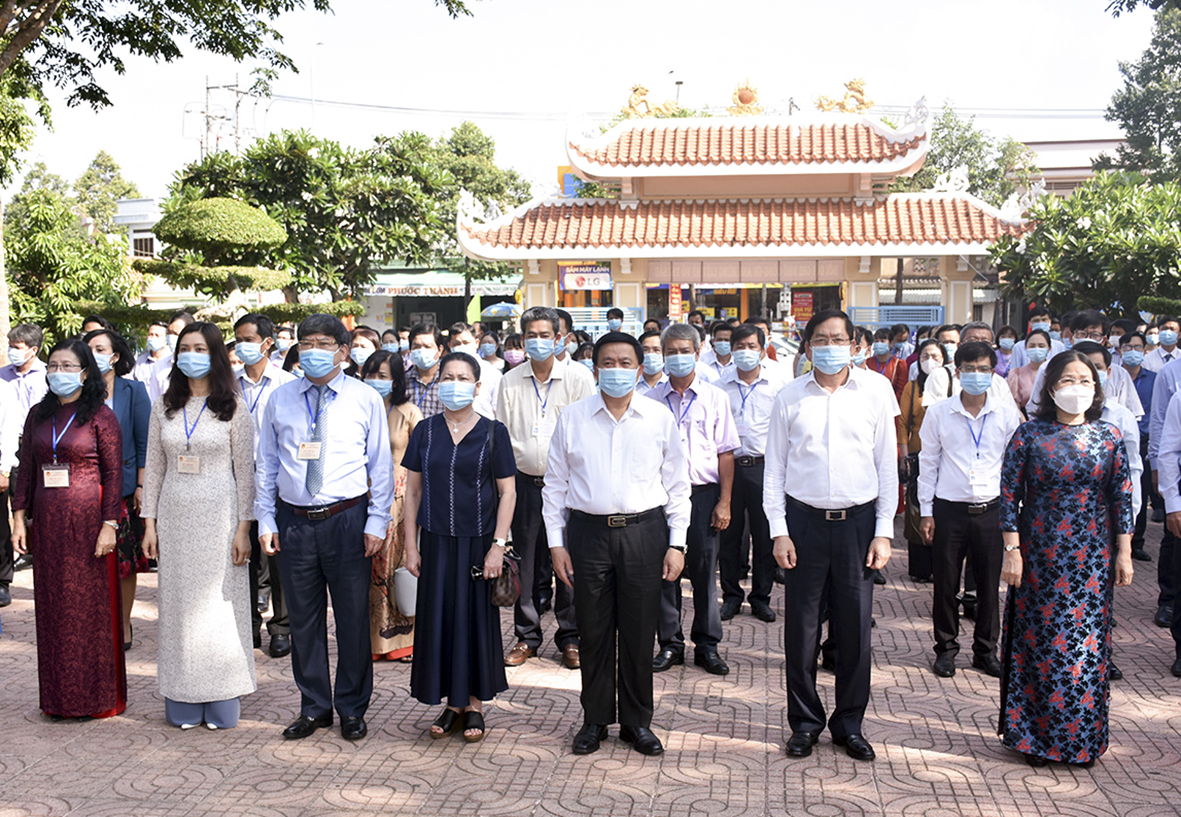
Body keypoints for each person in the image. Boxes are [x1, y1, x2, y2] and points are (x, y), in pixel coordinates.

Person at [543, 331, 689, 756]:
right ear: (595, 368)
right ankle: (595, 719)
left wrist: (676, 543)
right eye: (609, 362)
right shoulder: (573, 418)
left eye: (627, 363)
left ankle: (636, 721)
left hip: (645, 533)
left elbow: (678, 485)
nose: (618, 370)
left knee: (642, 632)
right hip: (587, 534)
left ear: (640, 368)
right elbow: (554, 487)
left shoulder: (659, 418)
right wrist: (557, 543)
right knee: (594, 630)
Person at [764, 309, 897, 762]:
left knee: (855, 631)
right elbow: (775, 470)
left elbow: (887, 467)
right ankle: (804, 722)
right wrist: (778, 532)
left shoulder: (876, 390)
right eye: (820, 338)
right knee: (801, 632)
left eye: (838, 337)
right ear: (806, 347)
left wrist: (884, 531)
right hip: (803, 525)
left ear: (855, 343)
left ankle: (849, 724)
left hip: (858, 527)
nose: (829, 345)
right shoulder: (788, 397)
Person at [255, 313, 394, 742]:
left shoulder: (364, 398)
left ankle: (352, 707)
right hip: (294, 522)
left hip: (347, 521)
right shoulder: (281, 399)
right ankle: (314, 706)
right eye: (305, 343)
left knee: (352, 619)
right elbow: (268, 465)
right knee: (304, 621)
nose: (312, 351)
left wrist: (377, 520)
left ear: (343, 351)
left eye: (322, 343)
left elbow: (381, 467)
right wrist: (266, 518)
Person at [998, 349, 1134, 767]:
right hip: (1039, 556)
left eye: (1085, 381)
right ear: (1051, 387)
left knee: (1085, 650)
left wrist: (1124, 552)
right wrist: (1012, 551)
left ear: (1097, 388)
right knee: (1040, 646)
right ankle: (1035, 739)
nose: (1077, 389)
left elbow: (1122, 499)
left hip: (1092, 559)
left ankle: (1081, 741)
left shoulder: (1108, 437)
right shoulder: (1029, 435)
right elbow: (1007, 497)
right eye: (1068, 381)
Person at [141, 322, 257, 729]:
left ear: (216, 356)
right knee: (179, 608)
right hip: (173, 518)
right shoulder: (163, 406)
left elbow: (246, 473)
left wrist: (244, 528)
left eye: (200, 348)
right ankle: (183, 693)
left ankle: (224, 689)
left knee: (220, 606)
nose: (192, 355)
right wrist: (149, 523)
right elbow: (154, 468)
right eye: (185, 348)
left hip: (221, 519)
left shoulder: (234, 407)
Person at [402, 351, 516, 742]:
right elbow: (412, 493)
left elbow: (508, 492)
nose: (454, 383)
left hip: (479, 543)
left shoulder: (493, 432)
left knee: (475, 622)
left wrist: (498, 546)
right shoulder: (425, 430)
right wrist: (410, 545)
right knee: (440, 620)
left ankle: (476, 706)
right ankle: (452, 704)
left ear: (477, 385)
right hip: (434, 541)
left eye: (462, 377)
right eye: (447, 376)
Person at [11, 339, 125, 719]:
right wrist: (18, 517)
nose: (59, 373)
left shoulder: (100, 416)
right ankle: (58, 700)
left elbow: (113, 473)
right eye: (54, 366)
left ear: (85, 371)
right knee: (54, 612)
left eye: (67, 366)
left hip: (89, 526)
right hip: (48, 527)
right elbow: (25, 470)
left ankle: (94, 699)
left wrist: (110, 525)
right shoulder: (37, 416)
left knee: (89, 613)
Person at [497, 307, 595, 671]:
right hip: (523, 483)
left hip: (567, 485)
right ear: (523, 340)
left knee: (567, 560)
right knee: (525, 562)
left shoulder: (579, 379)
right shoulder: (509, 381)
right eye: (531, 336)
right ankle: (527, 636)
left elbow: (587, 433)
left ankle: (571, 637)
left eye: (545, 335)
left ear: (559, 338)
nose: (537, 341)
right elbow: (502, 438)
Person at [918, 342, 1022, 679]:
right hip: (950, 509)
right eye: (969, 369)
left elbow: (1013, 469)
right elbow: (928, 462)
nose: (976, 375)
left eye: (983, 369)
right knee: (946, 584)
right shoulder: (939, 413)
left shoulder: (1006, 415)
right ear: (957, 371)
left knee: (990, 586)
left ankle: (985, 651)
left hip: (992, 510)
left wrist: (1013, 514)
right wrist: (926, 511)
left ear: (993, 373)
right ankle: (945, 649)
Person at [647, 323, 738, 675]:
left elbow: (725, 453)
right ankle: (670, 644)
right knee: (665, 572)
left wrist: (724, 501)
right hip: (662, 498)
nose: (678, 358)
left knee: (703, 572)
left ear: (699, 354)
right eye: (671, 352)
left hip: (703, 497)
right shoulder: (650, 400)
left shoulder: (716, 398)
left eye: (685, 351)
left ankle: (707, 644)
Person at [233, 313, 296, 658]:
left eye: (248, 339)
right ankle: (249, 623)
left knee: (277, 553)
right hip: (238, 476)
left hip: (275, 475)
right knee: (244, 553)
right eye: (238, 339)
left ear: (267, 342)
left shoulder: (286, 384)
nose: (242, 346)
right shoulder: (228, 384)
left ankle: (281, 627)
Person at [717, 323, 789, 622]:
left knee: (764, 536)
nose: (745, 352)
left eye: (751, 347)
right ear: (731, 350)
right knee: (729, 536)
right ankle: (731, 596)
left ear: (763, 349)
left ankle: (761, 597)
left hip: (764, 468)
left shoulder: (779, 384)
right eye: (740, 346)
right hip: (730, 468)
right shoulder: (719, 385)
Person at [84, 329, 151, 651]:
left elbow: (144, 442)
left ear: (114, 356)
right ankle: (96, 623)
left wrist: (140, 484)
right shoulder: (77, 392)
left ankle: (123, 624)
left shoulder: (133, 391)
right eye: (88, 349)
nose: (94, 354)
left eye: (100, 348)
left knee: (124, 562)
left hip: (123, 489)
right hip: (83, 489)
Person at [360, 349, 422, 661]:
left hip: (400, 501)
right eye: (370, 374)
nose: (375, 381)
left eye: (382, 376)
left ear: (396, 380)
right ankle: (372, 641)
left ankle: (404, 640)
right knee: (367, 571)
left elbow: (423, 462)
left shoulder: (409, 412)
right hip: (360, 495)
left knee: (395, 567)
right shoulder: (355, 408)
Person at [897, 339, 950, 583]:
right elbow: (903, 422)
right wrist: (905, 454)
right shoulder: (912, 387)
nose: (930, 361)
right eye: (925, 356)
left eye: (936, 356)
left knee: (941, 509)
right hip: (919, 453)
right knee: (918, 509)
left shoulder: (952, 386)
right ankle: (920, 567)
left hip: (947, 456)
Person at [1026, 312, 1143, 419]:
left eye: (1094, 335)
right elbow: (1035, 408)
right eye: (1082, 333)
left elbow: (1132, 415)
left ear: (1103, 340)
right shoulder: (1049, 367)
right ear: (1071, 337)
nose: (1088, 339)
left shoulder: (1119, 373)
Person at [1120, 332, 1157, 562]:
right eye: (1128, 347)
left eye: (1137, 347)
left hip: (1142, 439)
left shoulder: (1153, 378)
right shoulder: (1115, 375)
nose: (1132, 351)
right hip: (1117, 438)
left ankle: (1138, 540)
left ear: (1145, 350)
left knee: (1139, 489)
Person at [923, 323, 1017, 410]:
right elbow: (934, 414)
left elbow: (1008, 416)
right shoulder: (941, 375)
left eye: (985, 342)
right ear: (960, 345)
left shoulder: (999, 382)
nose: (978, 346)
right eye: (972, 341)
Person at [446, 322, 503, 420]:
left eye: (466, 343)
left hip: (484, 430)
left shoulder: (492, 373)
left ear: (476, 343)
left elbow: (498, 410)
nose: (461, 347)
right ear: (450, 345)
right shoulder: (443, 373)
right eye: (456, 344)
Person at [2, 323, 49, 427]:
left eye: (17, 348)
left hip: (36, 437)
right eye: (11, 346)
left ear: (34, 350)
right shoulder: (2, 375)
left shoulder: (47, 375)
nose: (12, 351)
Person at [0, 378, 18, 606]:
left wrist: (4, 469)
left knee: (0, 526)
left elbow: (8, 429)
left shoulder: (3, 387)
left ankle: (2, 580)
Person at [1006, 328, 1051, 414]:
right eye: (1032, 346)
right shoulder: (1017, 374)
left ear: (1049, 349)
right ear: (1026, 349)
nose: (1036, 349)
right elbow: (1015, 405)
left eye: (1041, 346)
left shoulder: (1055, 372)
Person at [407, 323, 447, 418]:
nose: (422, 351)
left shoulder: (449, 380)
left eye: (428, 346)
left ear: (440, 350)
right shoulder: (402, 381)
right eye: (416, 347)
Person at [866, 327, 907, 400]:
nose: (879, 344)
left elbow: (901, 390)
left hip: (891, 403)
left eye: (882, 341)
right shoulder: (867, 363)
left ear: (891, 343)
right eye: (876, 341)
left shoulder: (898, 364)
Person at [134, 321, 172, 386]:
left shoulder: (172, 361)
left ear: (166, 339)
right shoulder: (141, 361)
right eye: (150, 334)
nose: (153, 338)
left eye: (157, 335)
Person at [637, 330, 668, 396]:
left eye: (656, 350)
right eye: (645, 350)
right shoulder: (631, 385)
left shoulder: (671, 385)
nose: (650, 353)